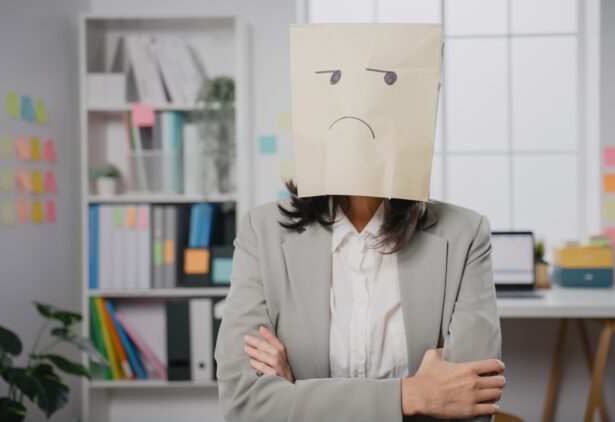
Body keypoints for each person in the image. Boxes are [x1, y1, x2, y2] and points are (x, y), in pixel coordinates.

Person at [214, 23, 504, 421]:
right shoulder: (260, 233)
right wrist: (411, 395)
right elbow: (244, 404)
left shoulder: (466, 235)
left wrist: (297, 394)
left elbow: (472, 404)